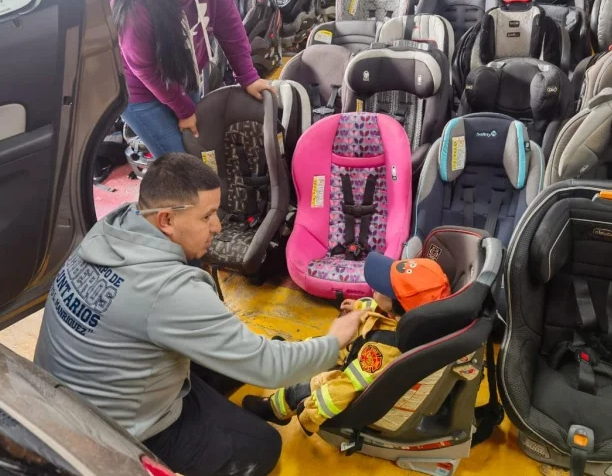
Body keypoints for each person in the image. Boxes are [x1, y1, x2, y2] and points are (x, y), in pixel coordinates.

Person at [34, 153, 365, 476]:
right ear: (166, 219)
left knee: (241, 359)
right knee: (261, 446)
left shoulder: (113, 228)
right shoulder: (168, 291)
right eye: (207, 217)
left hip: (68, 397)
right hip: (117, 432)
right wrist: (334, 338)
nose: (218, 226)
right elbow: (270, 368)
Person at [109, 0, 274, 158]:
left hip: (185, 74)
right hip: (139, 92)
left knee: (200, 147)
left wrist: (247, 76)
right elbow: (144, 68)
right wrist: (184, 109)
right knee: (184, 164)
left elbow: (227, 20)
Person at [242, 254, 451, 433]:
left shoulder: (383, 349)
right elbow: (377, 310)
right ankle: (285, 355)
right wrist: (360, 305)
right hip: (353, 352)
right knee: (317, 345)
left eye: (382, 288)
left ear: (399, 307)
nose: (374, 287)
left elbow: (350, 384)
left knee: (303, 386)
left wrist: (312, 415)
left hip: (345, 373)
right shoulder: (396, 316)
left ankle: (276, 409)